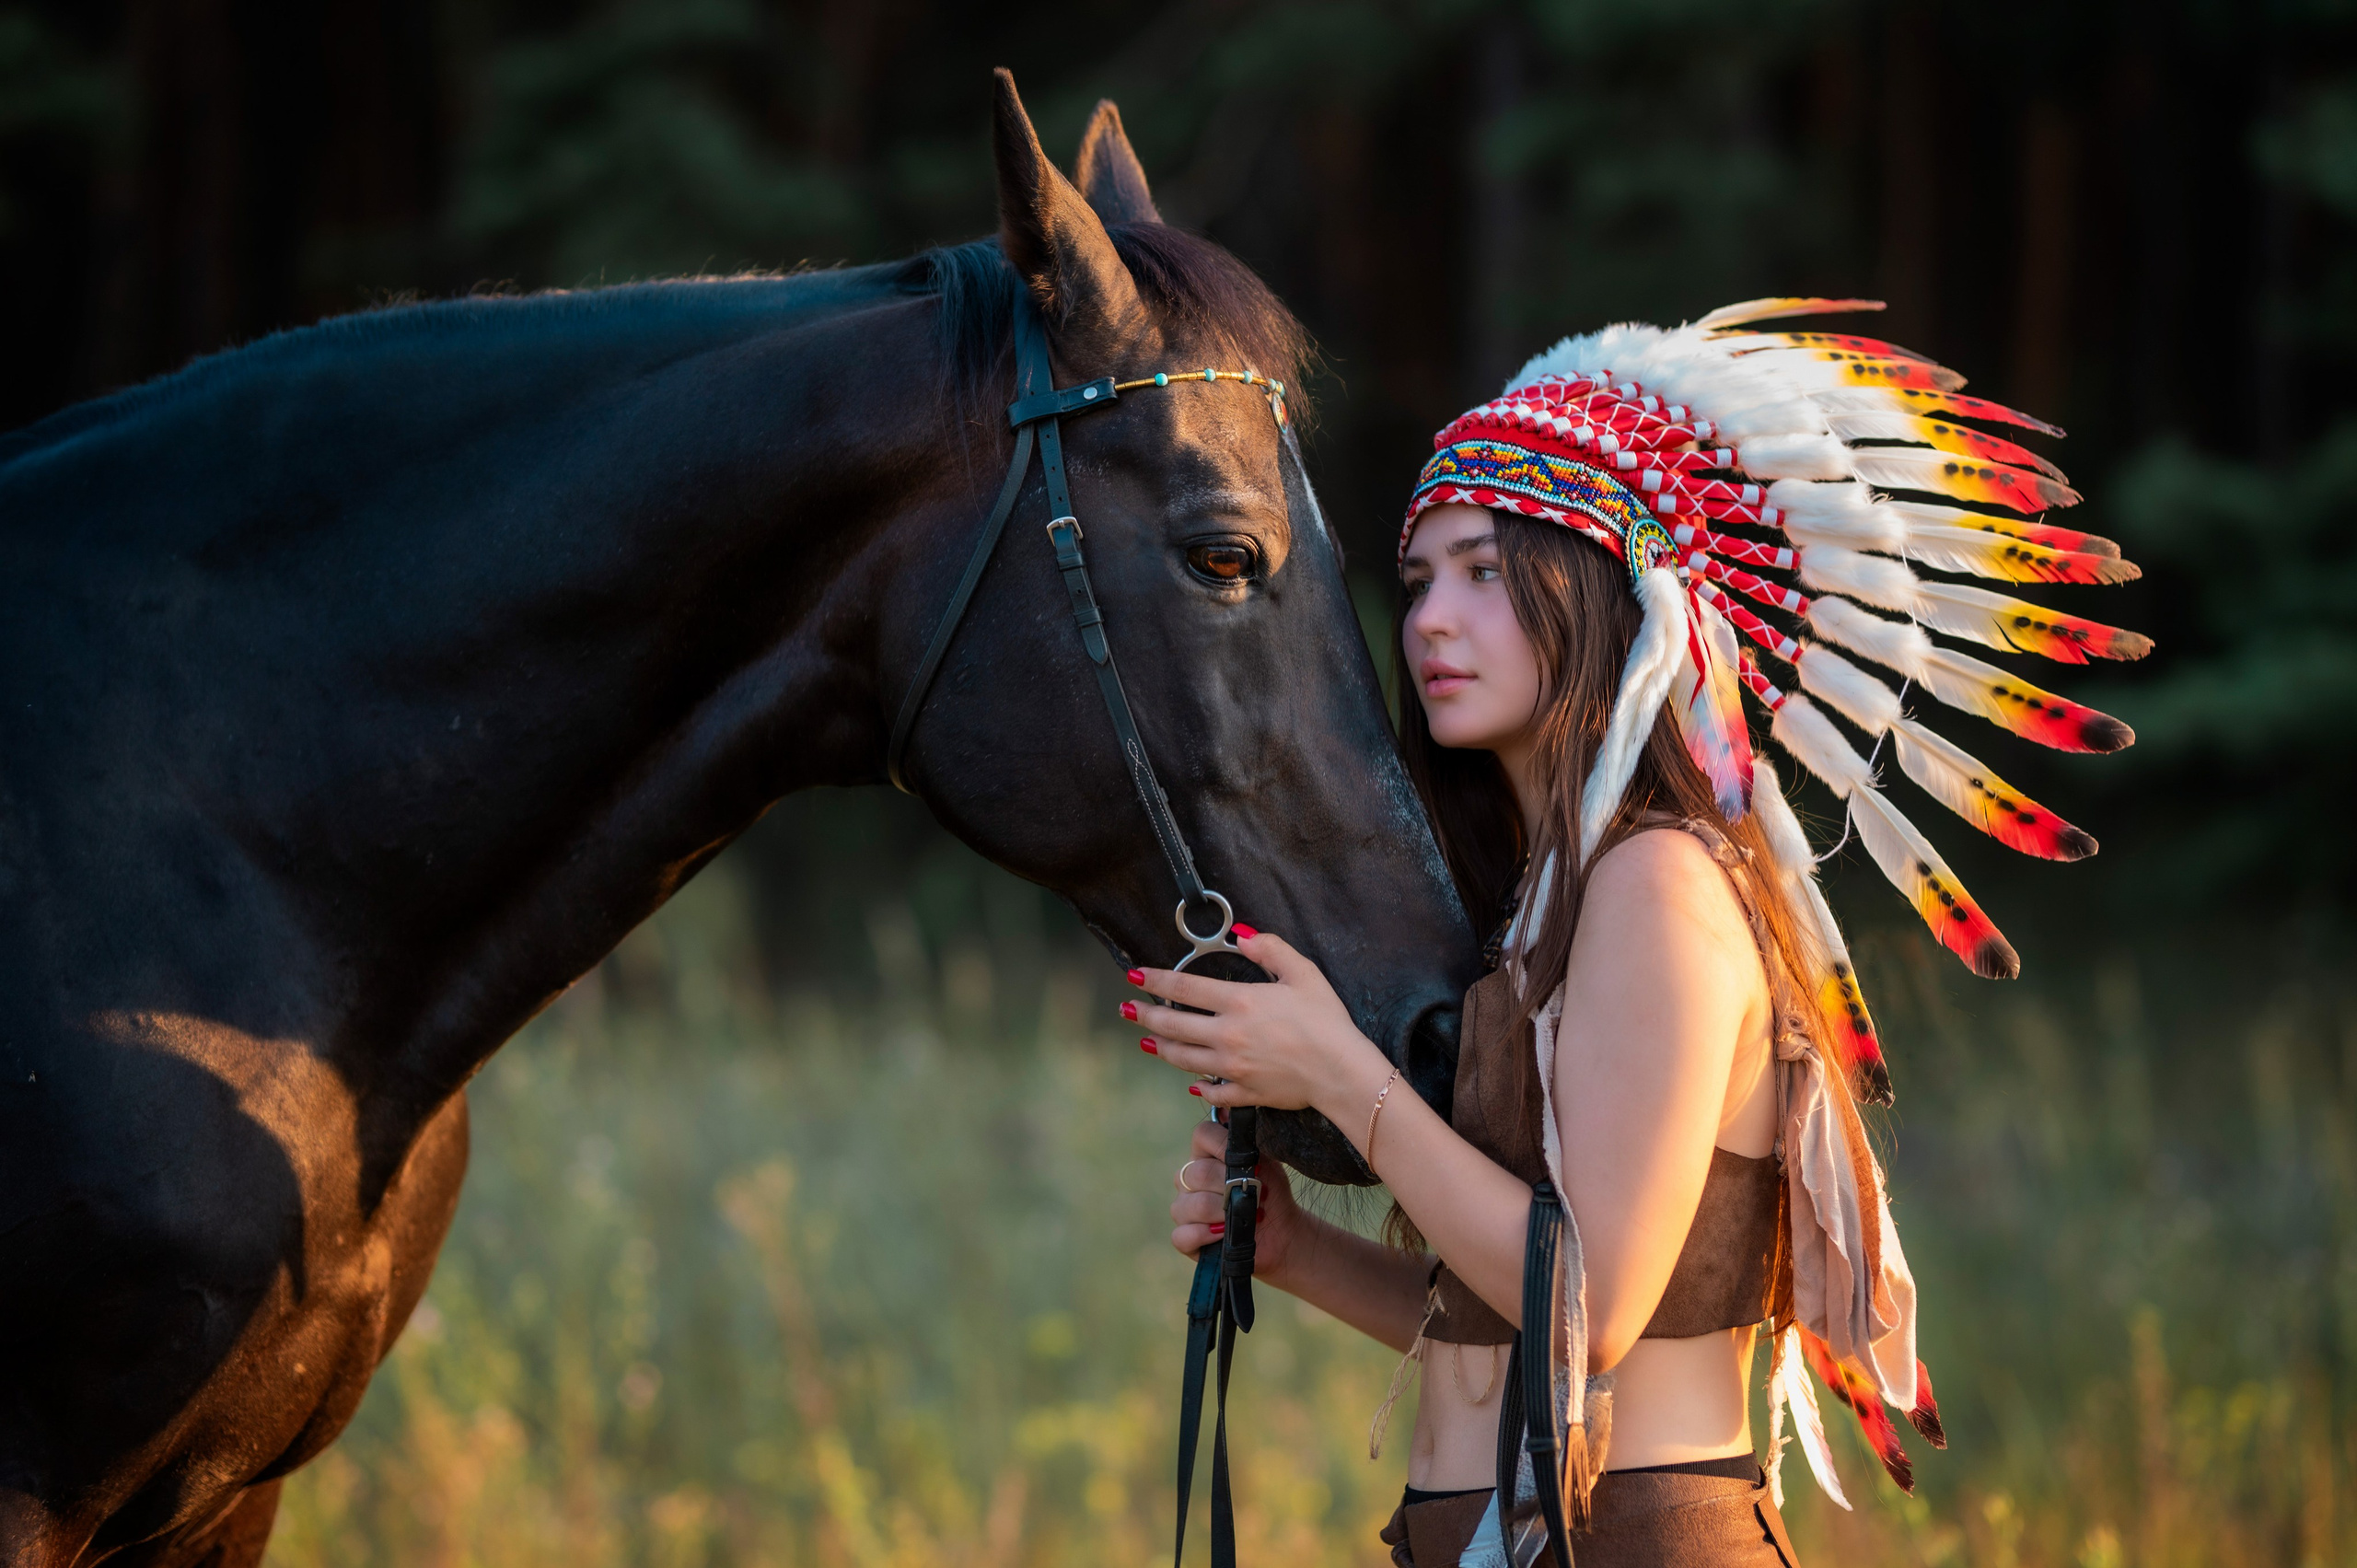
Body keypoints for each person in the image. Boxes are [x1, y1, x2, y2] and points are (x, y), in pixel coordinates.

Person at [1123, 298, 2148, 1565]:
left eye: (1487, 574)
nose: (1431, 618)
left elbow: (1589, 1312)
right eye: (1421, 577)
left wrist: (1338, 1069)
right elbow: (1507, 1326)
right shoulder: (1543, 904)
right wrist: (1294, 1252)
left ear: (1606, 592)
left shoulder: (1656, 882)